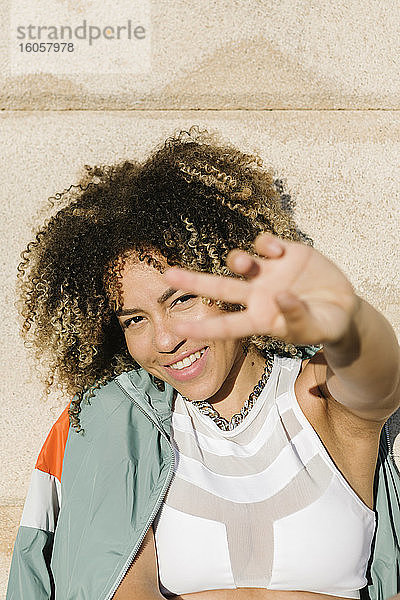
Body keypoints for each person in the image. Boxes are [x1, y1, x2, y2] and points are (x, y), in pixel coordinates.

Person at [6, 126, 400, 600]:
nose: (165, 339)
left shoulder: (312, 401)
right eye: (135, 319)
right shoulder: (126, 430)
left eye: (182, 300)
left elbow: (380, 377)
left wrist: (344, 317)